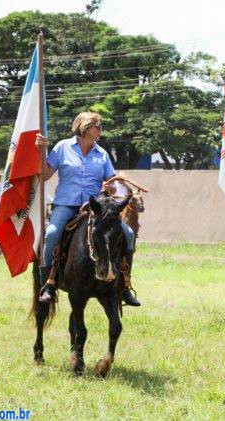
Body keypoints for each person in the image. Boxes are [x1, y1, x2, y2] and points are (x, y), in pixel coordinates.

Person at [35, 112, 140, 306]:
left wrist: (111, 187)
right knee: (51, 234)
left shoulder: (102, 154)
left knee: (129, 233)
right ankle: (48, 284)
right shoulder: (62, 147)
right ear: (84, 128)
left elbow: (112, 181)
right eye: (97, 126)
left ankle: (124, 286)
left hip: (95, 207)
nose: (100, 130)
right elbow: (45, 175)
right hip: (66, 204)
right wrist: (41, 151)